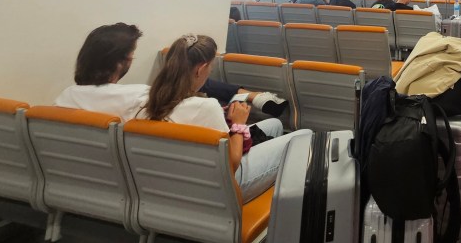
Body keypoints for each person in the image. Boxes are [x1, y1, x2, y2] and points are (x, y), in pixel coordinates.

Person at [138, 34, 308, 202]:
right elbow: (231, 164)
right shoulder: (206, 107)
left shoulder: (150, 98)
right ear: (200, 69)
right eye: (210, 66)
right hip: (221, 186)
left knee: (275, 124)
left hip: (180, 178)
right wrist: (238, 123)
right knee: (304, 135)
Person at [56, 23, 286, 124]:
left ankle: (248, 94)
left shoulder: (65, 98)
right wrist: (236, 125)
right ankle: (249, 95)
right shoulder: (138, 98)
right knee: (279, 131)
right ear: (123, 61)